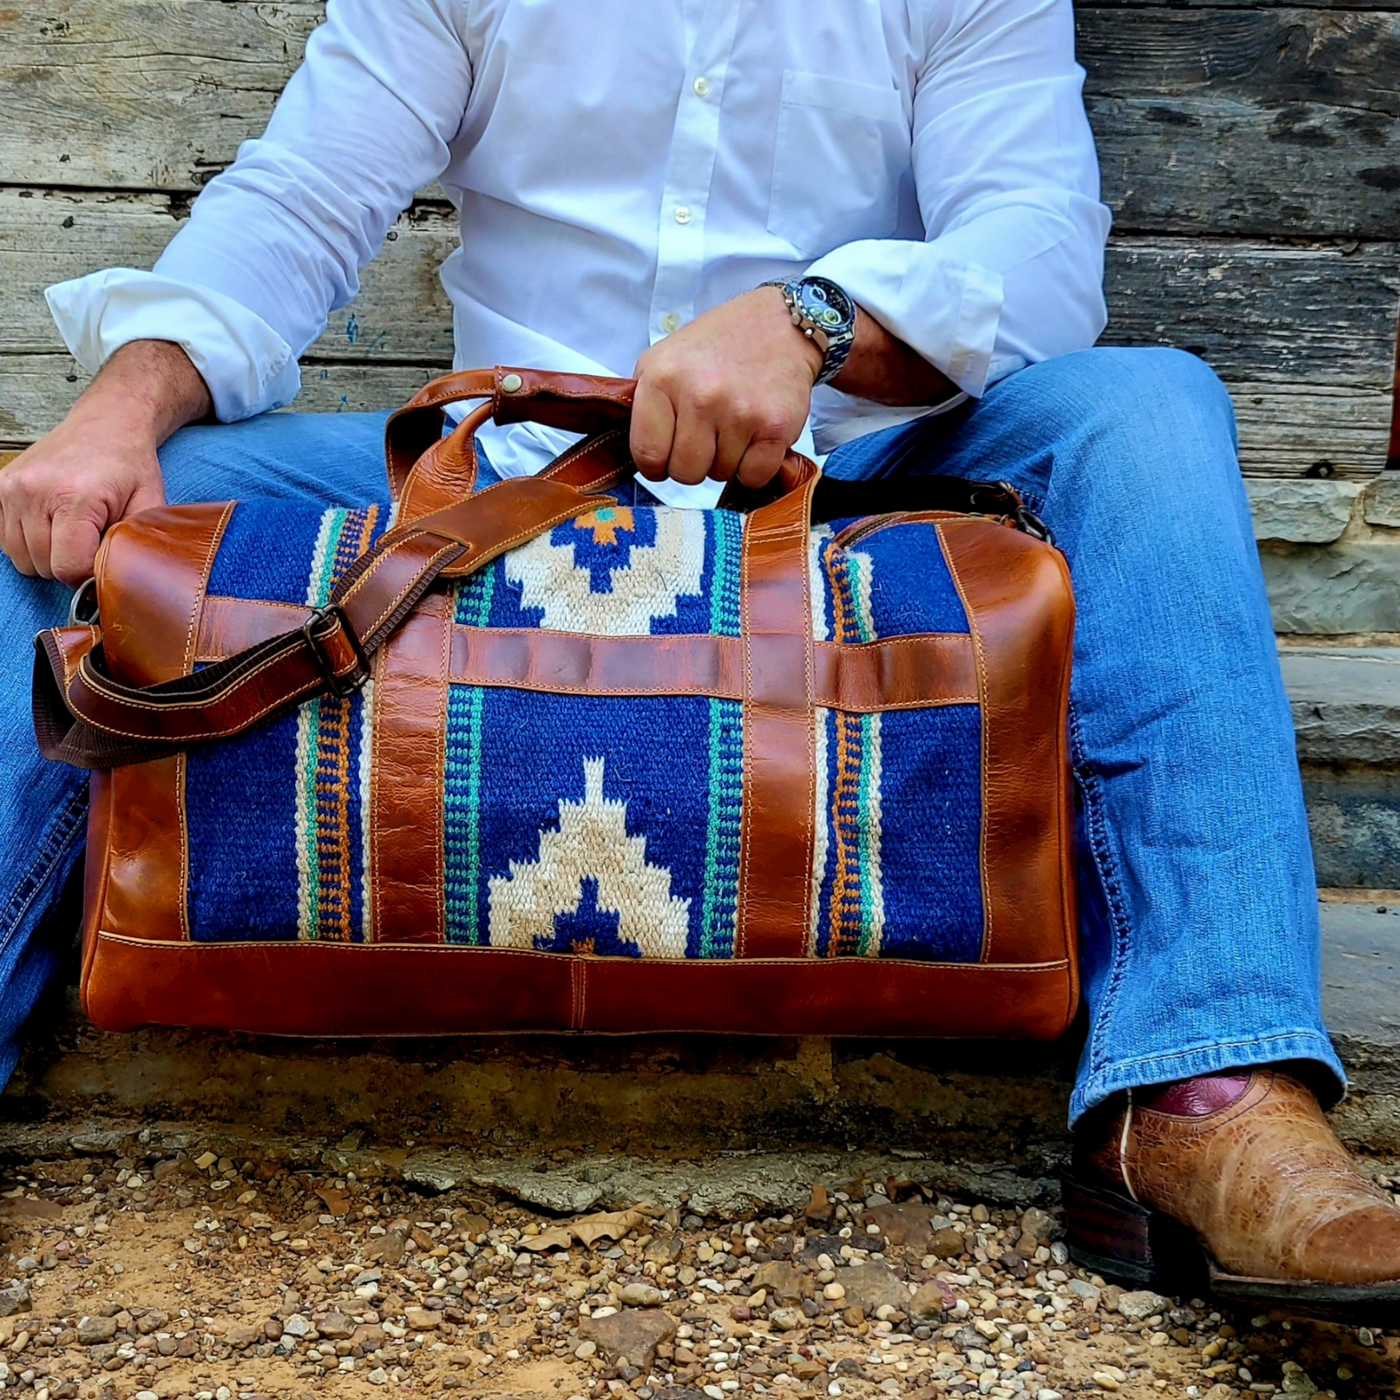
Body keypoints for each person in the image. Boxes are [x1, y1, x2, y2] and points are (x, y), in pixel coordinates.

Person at [3, 0, 1398, 1307]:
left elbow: (1032, 244)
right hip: (514, 477)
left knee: (1145, 407)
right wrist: (113, 414)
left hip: (862, 484)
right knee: (102, 493)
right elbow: (297, 202)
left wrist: (817, 324)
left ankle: (1207, 1093)